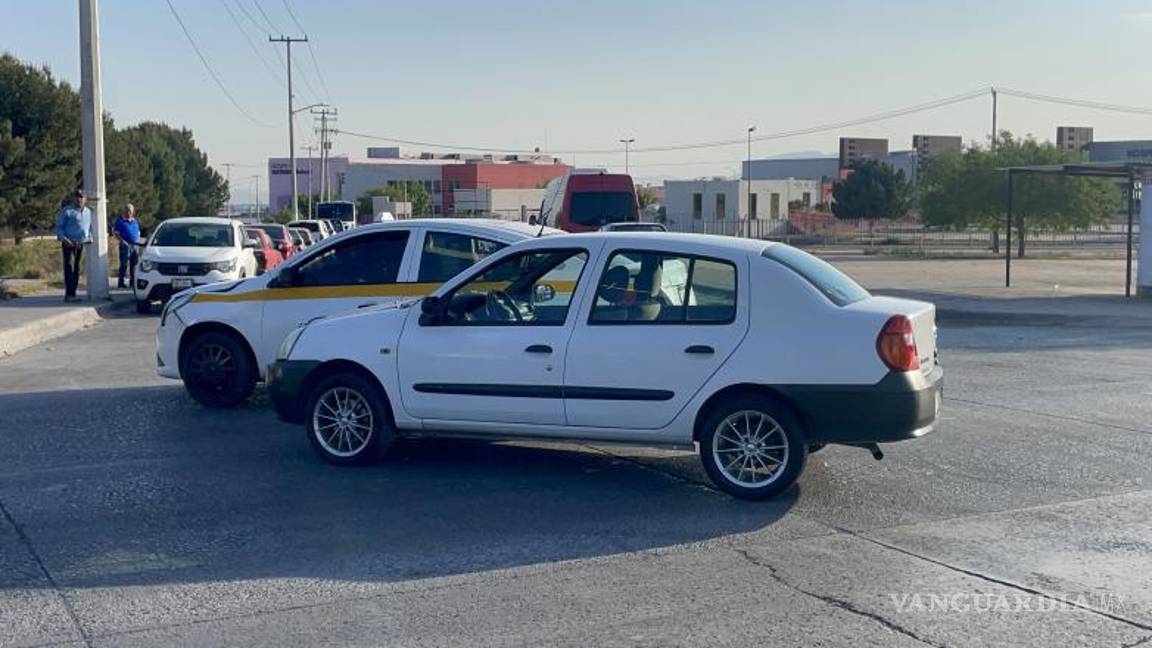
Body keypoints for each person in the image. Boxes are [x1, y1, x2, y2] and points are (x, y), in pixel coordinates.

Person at [53, 190, 93, 302]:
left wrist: (89, 238)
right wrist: (64, 239)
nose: (79, 199)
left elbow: (89, 227)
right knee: (69, 268)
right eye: (77, 197)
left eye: (81, 197)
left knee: (77, 269)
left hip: (81, 243)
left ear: (85, 199)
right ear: (74, 198)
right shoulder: (67, 211)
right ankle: (69, 294)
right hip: (68, 243)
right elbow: (58, 227)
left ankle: (73, 293)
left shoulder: (88, 211)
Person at [112, 203, 141, 288]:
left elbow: (138, 233)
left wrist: (137, 241)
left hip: (135, 246)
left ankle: (132, 282)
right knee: (124, 264)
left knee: (134, 265)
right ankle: (121, 283)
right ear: (124, 211)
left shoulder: (135, 221)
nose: (129, 212)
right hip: (125, 245)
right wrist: (122, 241)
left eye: (130, 210)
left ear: (133, 212)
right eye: (127, 210)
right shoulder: (120, 221)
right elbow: (116, 233)